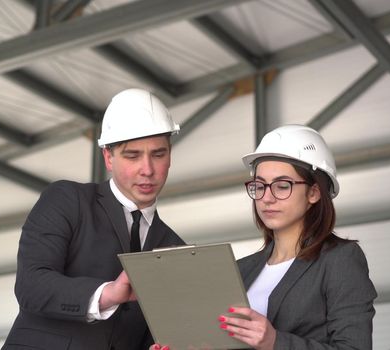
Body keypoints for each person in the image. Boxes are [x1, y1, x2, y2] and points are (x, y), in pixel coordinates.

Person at [153, 124, 377, 350]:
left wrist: (274, 342)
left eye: (282, 186)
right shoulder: (242, 269)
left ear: (314, 192)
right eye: (259, 186)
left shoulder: (339, 260)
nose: (267, 198)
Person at [3, 88, 186, 350]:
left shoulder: (175, 248)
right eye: (132, 155)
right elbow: (31, 285)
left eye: (158, 154)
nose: (147, 170)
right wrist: (107, 294)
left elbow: (152, 331)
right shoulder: (67, 200)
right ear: (108, 157)